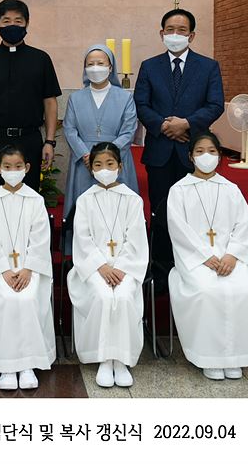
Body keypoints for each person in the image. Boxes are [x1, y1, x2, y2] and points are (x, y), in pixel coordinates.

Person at [167, 131, 248, 380]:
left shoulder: (231, 190)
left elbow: (243, 226)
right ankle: (208, 357)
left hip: (229, 259)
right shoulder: (179, 190)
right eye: (200, 151)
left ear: (219, 156)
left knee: (240, 290)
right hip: (195, 261)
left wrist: (232, 255)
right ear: (191, 156)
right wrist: (204, 257)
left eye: (211, 151)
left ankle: (235, 357)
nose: (206, 156)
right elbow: (179, 230)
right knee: (206, 291)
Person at [133, 9, 224, 263]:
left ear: (191, 36)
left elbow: (215, 104)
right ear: (162, 33)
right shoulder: (149, 66)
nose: (175, 34)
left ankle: (194, 263)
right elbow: (141, 104)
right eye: (170, 30)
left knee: (194, 212)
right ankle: (161, 269)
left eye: (181, 30)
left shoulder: (208, 66)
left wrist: (186, 124)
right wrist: (164, 126)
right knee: (160, 211)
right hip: (159, 153)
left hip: (193, 152)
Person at [66, 142, 148, 388]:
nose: (104, 169)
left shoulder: (132, 200)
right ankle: (103, 358)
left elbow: (136, 240)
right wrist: (101, 266)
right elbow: (83, 239)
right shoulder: (85, 200)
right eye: (98, 165)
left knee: (122, 297)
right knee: (102, 296)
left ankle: (121, 359)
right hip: (93, 268)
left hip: (126, 268)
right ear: (91, 169)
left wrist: (121, 267)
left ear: (120, 166)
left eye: (110, 164)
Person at [0, 0, 62, 198]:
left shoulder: (41, 59)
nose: (12, 25)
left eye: (18, 21)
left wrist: (49, 142)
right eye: (6, 21)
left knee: (28, 197)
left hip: (29, 139)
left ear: (27, 23)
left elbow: (50, 103)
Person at [0, 144, 56, 390]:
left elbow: (40, 239)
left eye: (18, 166)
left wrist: (28, 269)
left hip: (30, 268)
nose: (13, 171)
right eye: (8, 167)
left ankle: (28, 363)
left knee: (28, 297)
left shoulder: (35, 200)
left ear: (27, 168)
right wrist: (4, 270)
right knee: (8, 299)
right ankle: (7, 365)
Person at [63, 44, 139, 223]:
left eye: (100, 63)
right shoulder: (75, 98)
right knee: (84, 213)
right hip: (84, 161)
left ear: (110, 67)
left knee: (118, 212)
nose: (95, 68)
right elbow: (69, 129)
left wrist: (107, 155)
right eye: (90, 64)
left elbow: (128, 130)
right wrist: (86, 155)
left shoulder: (125, 97)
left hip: (115, 158)